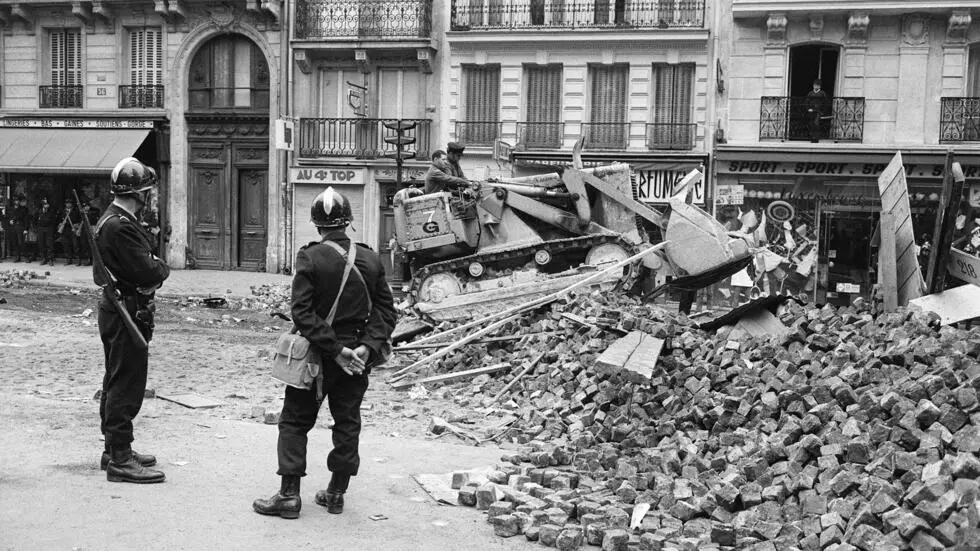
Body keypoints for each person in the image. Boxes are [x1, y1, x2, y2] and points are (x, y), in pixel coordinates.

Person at [253, 187, 397, 519]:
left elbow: (302, 314)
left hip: (318, 357)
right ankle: (335, 494)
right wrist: (365, 347)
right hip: (357, 359)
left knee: (294, 421)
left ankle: (289, 496)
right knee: (347, 422)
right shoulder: (370, 259)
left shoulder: (310, 257)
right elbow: (386, 314)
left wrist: (335, 349)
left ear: (317, 224)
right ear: (348, 222)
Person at [95, 157, 171, 484]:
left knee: (116, 378)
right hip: (127, 310)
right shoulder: (120, 226)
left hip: (122, 308)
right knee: (126, 382)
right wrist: (158, 268)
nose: (149, 196)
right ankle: (120, 459)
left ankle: (115, 449)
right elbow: (150, 270)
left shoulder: (114, 220)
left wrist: (152, 269)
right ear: (137, 194)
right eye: (146, 191)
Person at [58, 198, 84, 265]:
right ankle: (68, 259)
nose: (68, 204)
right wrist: (60, 224)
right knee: (66, 245)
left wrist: (77, 225)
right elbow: (58, 220)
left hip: (73, 229)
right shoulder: (63, 211)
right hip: (65, 230)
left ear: (71, 204)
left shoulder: (76, 211)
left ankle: (78, 259)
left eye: (69, 203)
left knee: (75, 245)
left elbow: (81, 220)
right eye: (67, 203)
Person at [34, 196, 57, 265]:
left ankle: (50, 259)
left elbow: (54, 221)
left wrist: (52, 229)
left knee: (49, 244)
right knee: (42, 244)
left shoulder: (51, 211)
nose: (46, 205)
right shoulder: (39, 211)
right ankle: (44, 258)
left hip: (49, 229)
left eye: (47, 204)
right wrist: (36, 228)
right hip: (40, 229)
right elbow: (34, 220)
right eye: (44, 204)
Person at [10, 195, 31, 262]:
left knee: (21, 242)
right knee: (15, 242)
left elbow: (26, 219)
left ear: (19, 201)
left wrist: (26, 229)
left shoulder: (24, 209)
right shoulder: (12, 208)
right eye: (15, 200)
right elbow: (8, 216)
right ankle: (17, 257)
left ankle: (25, 256)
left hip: (21, 226)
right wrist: (10, 220)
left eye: (17, 200)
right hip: (13, 227)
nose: (16, 202)